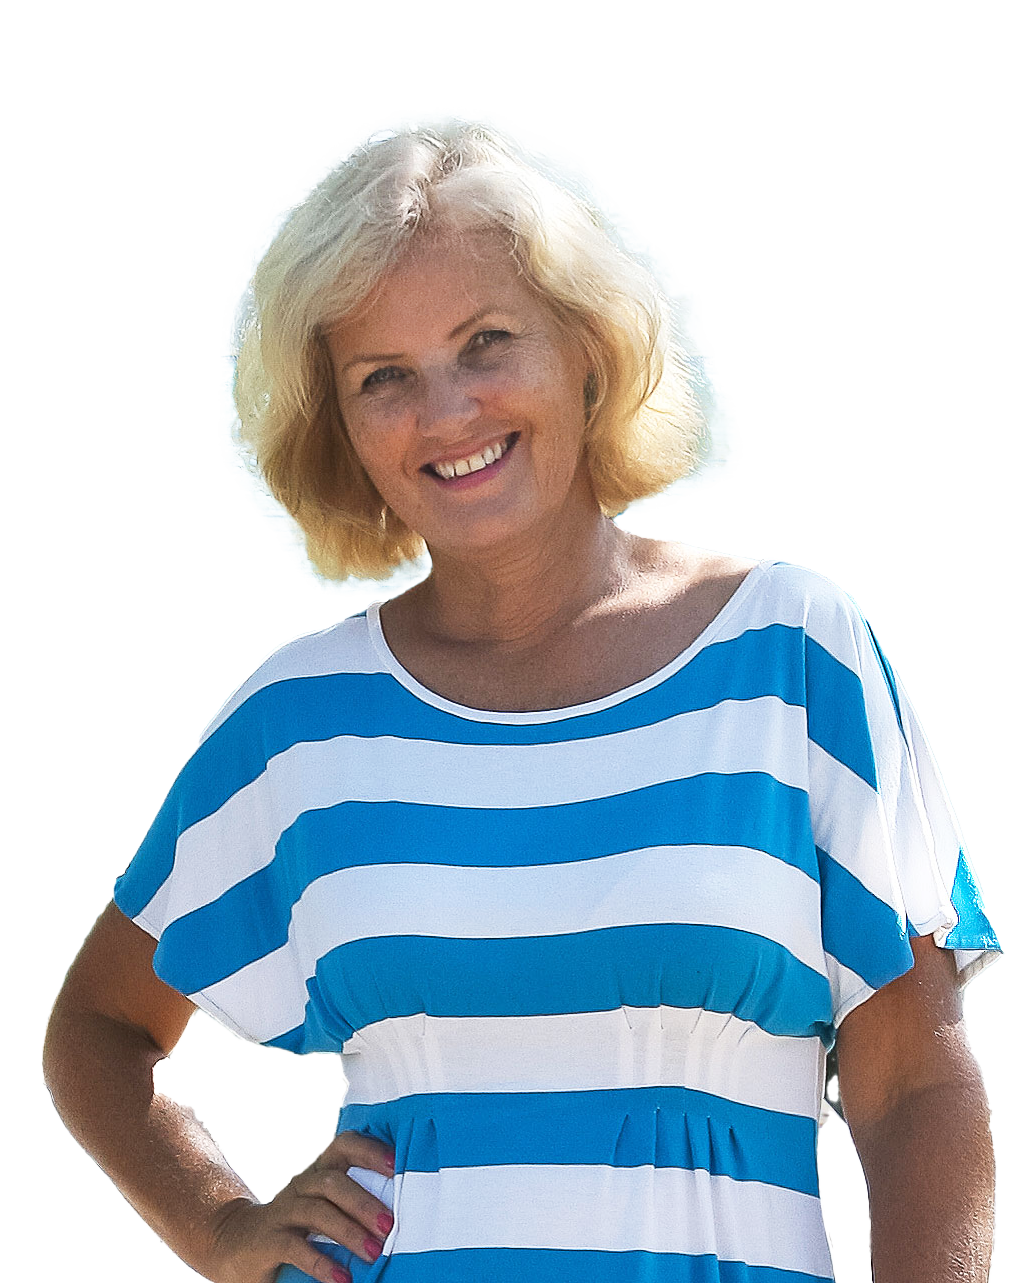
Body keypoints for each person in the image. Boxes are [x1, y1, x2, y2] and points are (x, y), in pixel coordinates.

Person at [43, 111, 1001, 1282]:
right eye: (383, 377)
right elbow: (96, 1030)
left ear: (587, 349)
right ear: (342, 427)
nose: (446, 409)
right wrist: (219, 1222)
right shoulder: (294, 722)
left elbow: (914, 1089)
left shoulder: (792, 655)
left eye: (485, 341)